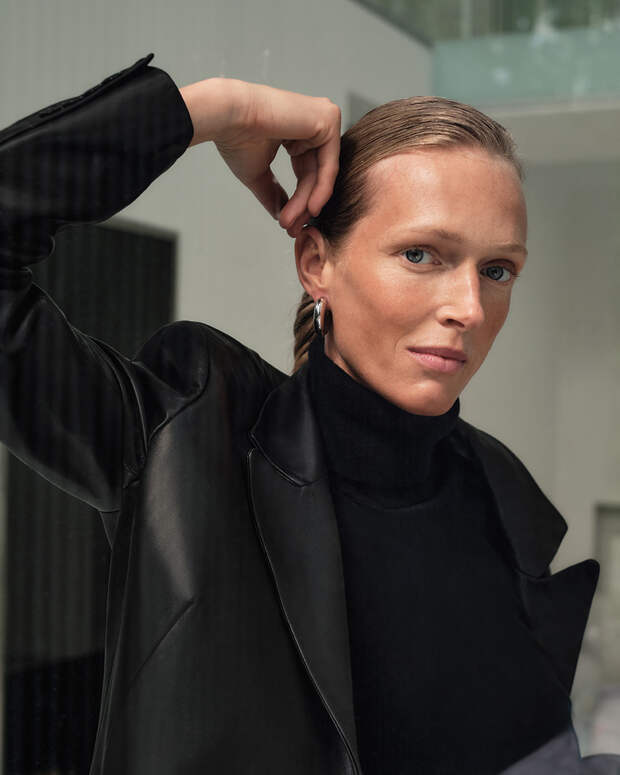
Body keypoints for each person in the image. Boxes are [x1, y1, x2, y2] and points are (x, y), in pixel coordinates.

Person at [0, 52, 618, 775]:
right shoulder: (189, 434)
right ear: (316, 263)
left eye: (496, 269)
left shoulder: (501, 492)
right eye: (421, 254)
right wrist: (211, 110)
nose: (470, 309)